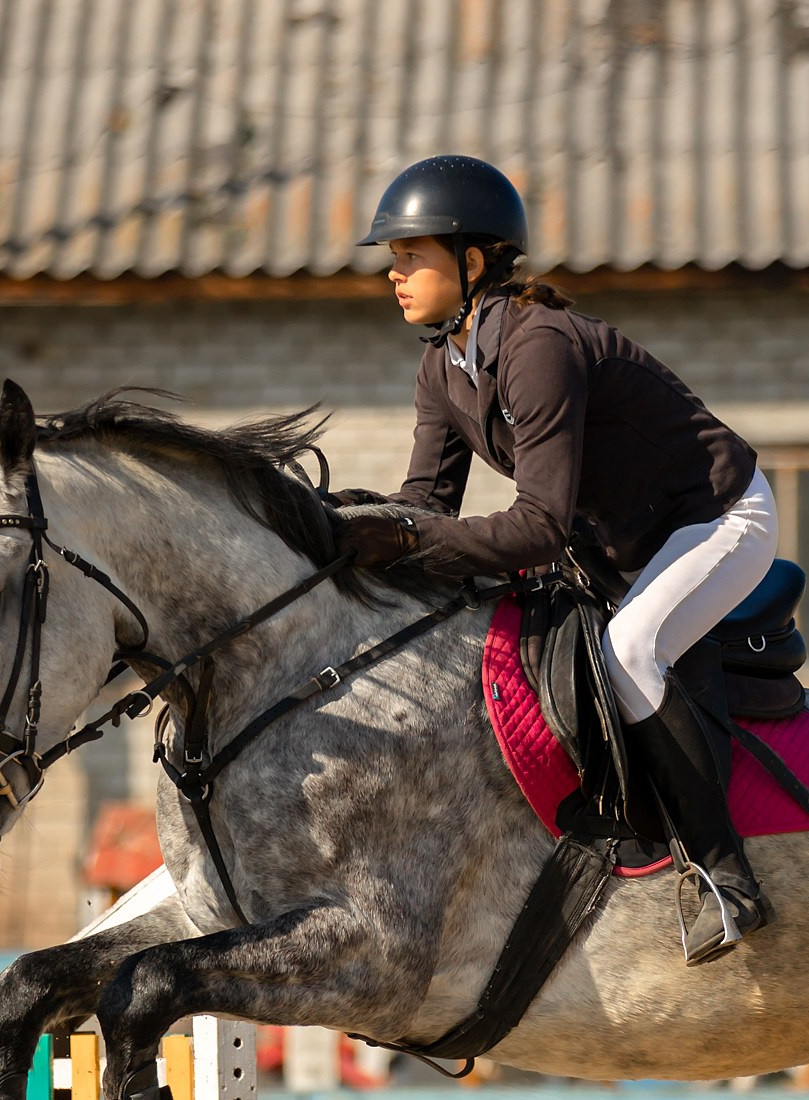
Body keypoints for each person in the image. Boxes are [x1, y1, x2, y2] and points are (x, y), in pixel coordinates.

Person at [331, 154, 778, 964]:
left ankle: (725, 877)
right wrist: (341, 522)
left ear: (471, 262)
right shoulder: (442, 366)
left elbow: (536, 527)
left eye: (410, 257)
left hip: (719, 519)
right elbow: (426, 508)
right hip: (618, 545)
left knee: (631, 649)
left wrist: (404, 539)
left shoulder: (538, 347)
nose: (393, 275)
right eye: (392, 259)